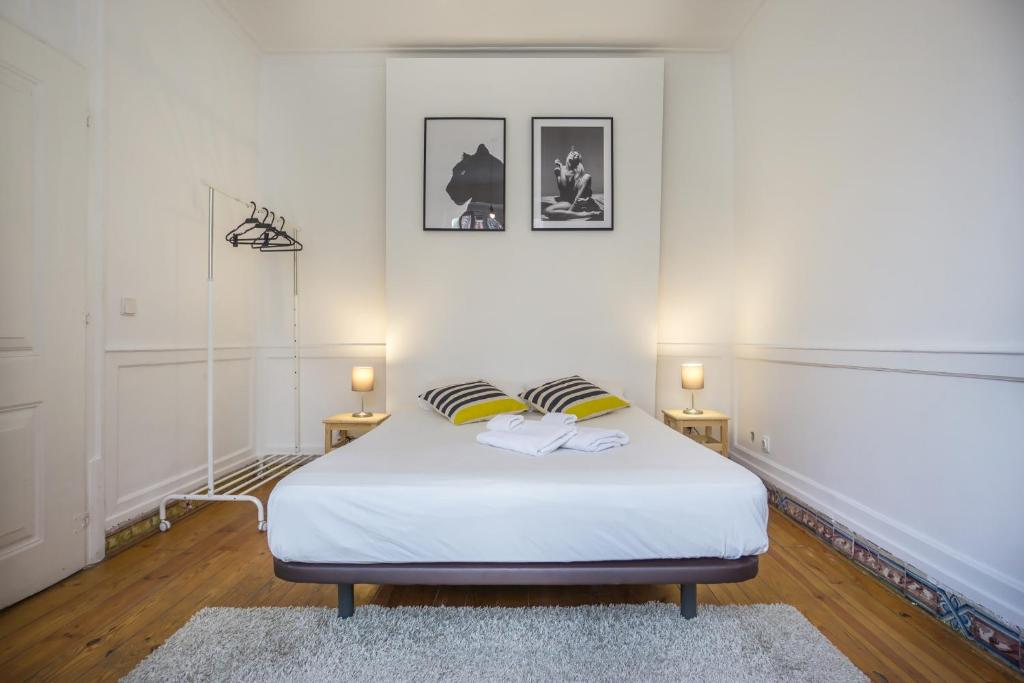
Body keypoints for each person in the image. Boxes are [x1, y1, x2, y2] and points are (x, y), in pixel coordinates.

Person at [543, 146, 603, 220]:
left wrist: (586, 199)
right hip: (568, 201)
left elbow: (588, 192)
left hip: (579, 201)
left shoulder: (580, 172)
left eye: (576, 155)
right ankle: (585, 214)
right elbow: (563, 187)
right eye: (572, 153)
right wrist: (561, 166)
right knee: (547, 211)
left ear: (578, 160)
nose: (574, 154)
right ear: (568, 156)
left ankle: (571, 213)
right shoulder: (560, 170)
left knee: (587, 176)